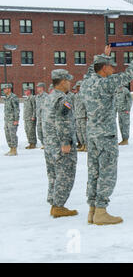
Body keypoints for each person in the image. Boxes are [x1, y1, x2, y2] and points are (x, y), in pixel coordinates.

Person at [80, 42, 133, 225]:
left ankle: (92, 210)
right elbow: (128, 75)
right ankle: (101, 211)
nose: (113, 68)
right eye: (110, 65)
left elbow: (90, 70)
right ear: (104, 68)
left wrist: (103, 54)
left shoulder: (86, 83)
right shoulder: (106, 83)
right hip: (106, 136)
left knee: (93, 172)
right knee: (107, 172)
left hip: (91, 135)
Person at [43, 69, 78, 218]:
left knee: (53, 175)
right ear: (63, 81)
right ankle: (58, 206)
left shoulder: (49, 97)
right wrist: (65, 142)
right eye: (68, 80)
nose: (70, 83)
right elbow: (63, 122)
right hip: (60, 145)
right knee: (65, 174)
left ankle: (54, 203)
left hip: (50, 144)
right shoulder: (62, 100)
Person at [3, 84, 20, 156]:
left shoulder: (13, 97)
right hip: (7, 119)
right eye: (4, 89)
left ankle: (14, 150)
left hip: (12, 120)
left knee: (12, 134)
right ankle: (11, 148)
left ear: (9, 89)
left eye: (5, 89)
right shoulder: (6, 98)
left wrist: (16, 119)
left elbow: (16, 109)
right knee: (7, 134)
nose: (4, 90)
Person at [74, 80, 87, 152]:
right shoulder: (76, 95)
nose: (78, 88)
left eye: (79, 86)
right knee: (79, 132)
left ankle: (87, 145)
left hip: (83, 116)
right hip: (77, 116)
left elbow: (87, 106)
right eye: (77, 86)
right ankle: (82, 145)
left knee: (84, 131)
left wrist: (87, 115)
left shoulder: (84, 95)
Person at [35, 82, 48, 149]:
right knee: (39, 131)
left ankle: (46, 144)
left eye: (38, 87)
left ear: (42, 88)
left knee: (45, 131)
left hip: (45, 117)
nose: (37, 88)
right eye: (37, 87)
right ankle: (43, 143)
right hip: (39, 117)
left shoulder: (46, 96)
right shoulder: (37, 97)